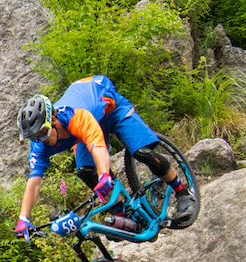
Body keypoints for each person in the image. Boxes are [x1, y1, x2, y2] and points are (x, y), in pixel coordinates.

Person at [13, 75, 196, 240]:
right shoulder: (39, 145)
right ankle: (122, 213)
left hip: (111, 109)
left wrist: (104, 176)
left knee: (142, 152)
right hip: (85, 126)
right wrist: (23, 218)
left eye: (43, 133)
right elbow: (34, 181)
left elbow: (98, 147)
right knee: (86, 171)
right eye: (35, 137)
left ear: (53, 120)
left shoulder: (76, 118)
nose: (41, 140)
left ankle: (182, 192)